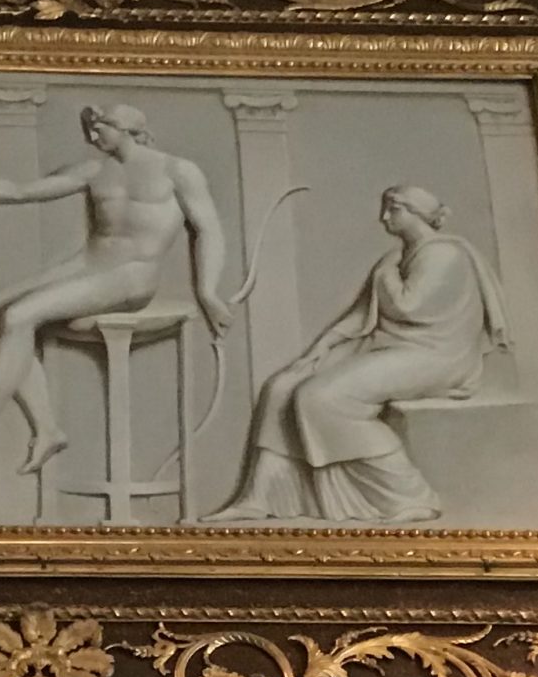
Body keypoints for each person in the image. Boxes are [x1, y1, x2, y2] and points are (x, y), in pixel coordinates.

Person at [0, 103, 230, 482]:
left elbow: (208, 229)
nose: (92, 135)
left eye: (100, 127)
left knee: (19, 316)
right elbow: (18, 191)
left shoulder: (177, 170)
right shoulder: (94, 170)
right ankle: (49, 430)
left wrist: (208, 291)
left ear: (125, 129)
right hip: (88, 265)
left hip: (134, 276)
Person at [207, 185, 510, 524]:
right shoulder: (399, 257)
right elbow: (361, 313)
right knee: (282, 386)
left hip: (436, 356)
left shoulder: (444, 255)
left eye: (393, 209)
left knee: (321, 397)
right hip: (393, 346)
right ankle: (263, 496)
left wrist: (385, 274)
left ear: (416, 213)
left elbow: (408, 306)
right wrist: (322, 347)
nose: (383, 217)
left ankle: (410, 497)